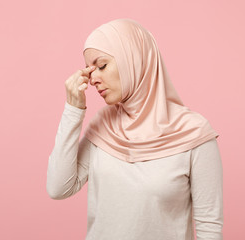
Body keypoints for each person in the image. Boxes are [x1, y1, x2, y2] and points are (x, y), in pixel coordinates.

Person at [46, 18, 223, 240]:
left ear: (133, 60)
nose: (93, 79)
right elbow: (58, 188)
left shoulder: (194, 133)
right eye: (90, 71)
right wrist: (73, 109)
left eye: (102, 66)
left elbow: (209, 228)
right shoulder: (103, 126)